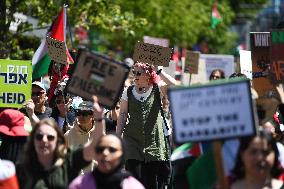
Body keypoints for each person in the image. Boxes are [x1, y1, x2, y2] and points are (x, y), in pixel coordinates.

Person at [16, 96, 105, 189]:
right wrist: (31, 114)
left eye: (50, 137)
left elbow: (96, 143)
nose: (44, 140)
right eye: (39, 137)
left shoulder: (69, 161)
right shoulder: (23, 168)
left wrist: (99, 119)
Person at [117, 62, 177, 188]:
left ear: (148, 75)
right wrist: (117, 138)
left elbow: (175, 86)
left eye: (139, 73)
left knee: (152, 183)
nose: (135, 76)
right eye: (134, 72)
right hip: (132, 142)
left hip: (154, 142)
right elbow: (122, 115)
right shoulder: (127, 91)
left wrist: (160, 71)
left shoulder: (157, 88)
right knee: (133, 181)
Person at [68, 133, 145, 189]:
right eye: (100, 149)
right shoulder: (80, 184)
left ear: (122, 154)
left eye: (112, 150)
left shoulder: (133, 186)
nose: (105, 153)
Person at [64, 101, 102, 173]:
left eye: (85, 113)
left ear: (93, 115)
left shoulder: (100, 134)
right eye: (78, 113)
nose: (81, 116)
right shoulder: (68, 135)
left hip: (95, 179)